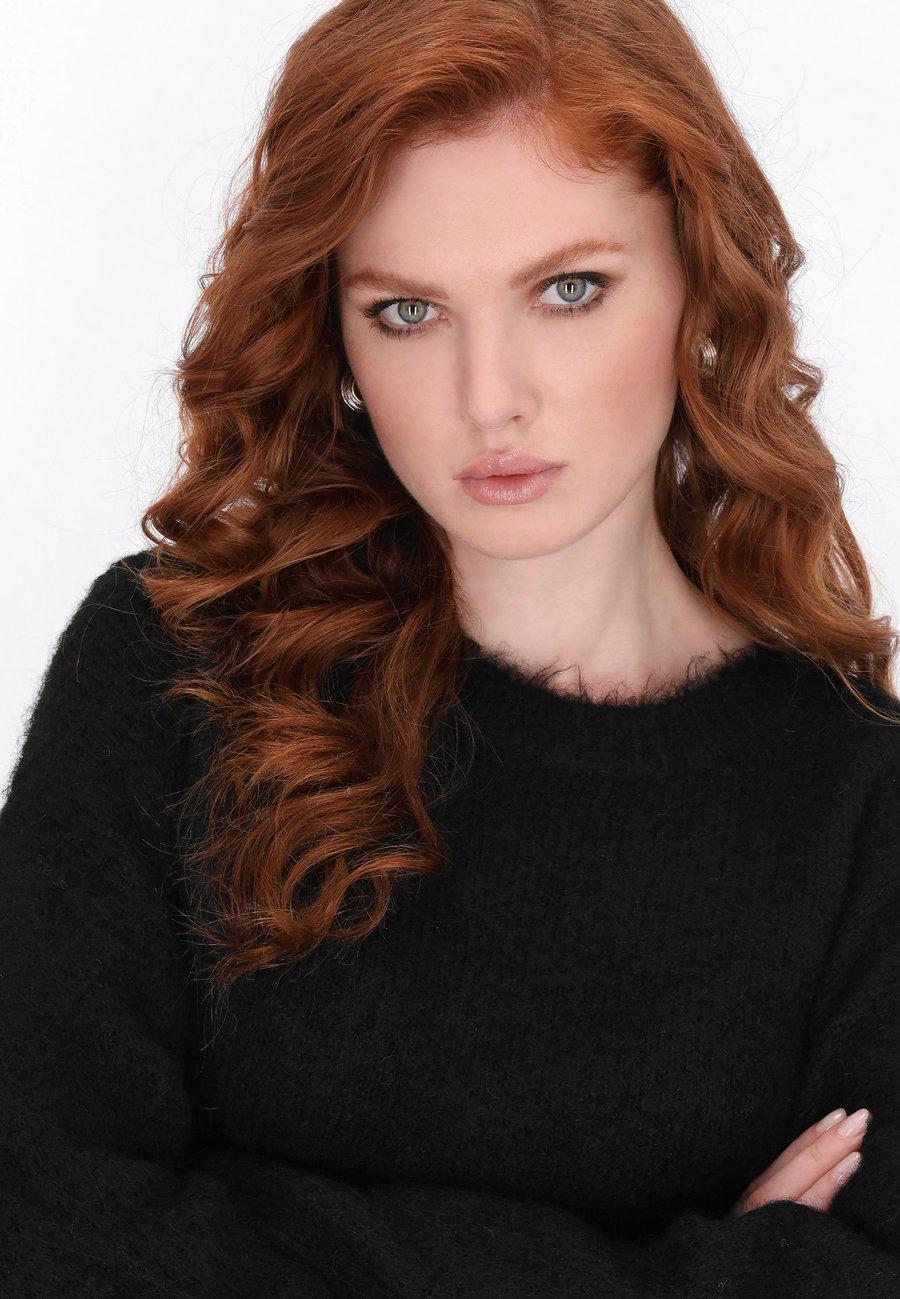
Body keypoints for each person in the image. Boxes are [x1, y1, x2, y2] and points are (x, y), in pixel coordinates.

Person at [3, 0, 899, 1294]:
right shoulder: (172, 669)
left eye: (569, 289)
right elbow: (39, 1233)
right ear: (334, 333)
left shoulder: (858, 797)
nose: (490, 398)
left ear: (702, 280)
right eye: (409, 311)